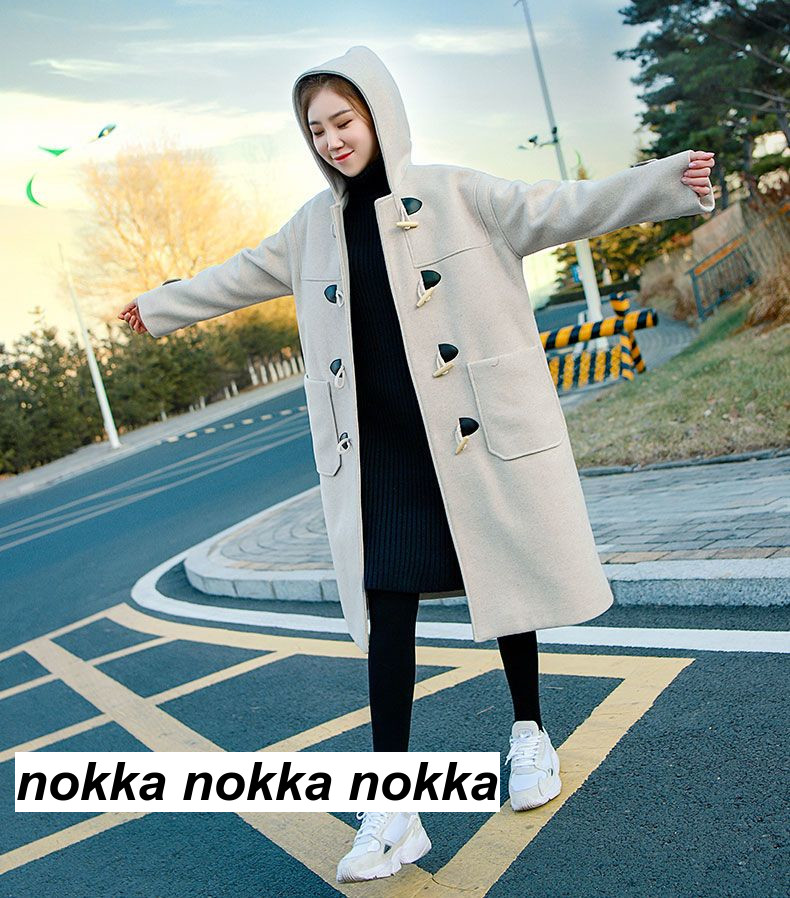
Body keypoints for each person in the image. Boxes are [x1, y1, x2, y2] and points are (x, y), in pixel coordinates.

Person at [120, 47, 715, 886]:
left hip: (468, 434)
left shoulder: (456, 193)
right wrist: (158, 307)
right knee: (386, 610)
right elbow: (236, 277)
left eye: (344, 121)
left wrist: (668, 181)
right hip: (383, 453)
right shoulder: (310, 228)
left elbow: (562, 206)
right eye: (316, 129)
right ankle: (393, 807)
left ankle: (529, 733)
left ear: (378, 116)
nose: (332, 140)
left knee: (504, 579)